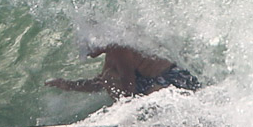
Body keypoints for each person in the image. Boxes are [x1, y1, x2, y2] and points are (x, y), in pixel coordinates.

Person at [46, 44, 200, 101]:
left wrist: (123, 115)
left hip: (175, 80)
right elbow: (99, 84)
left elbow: (128, 86)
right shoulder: (111, 55)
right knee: (108, 77)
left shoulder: (118, 49)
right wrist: (68, 85)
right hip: (153, 82)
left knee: (109, 77)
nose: (87, 52)